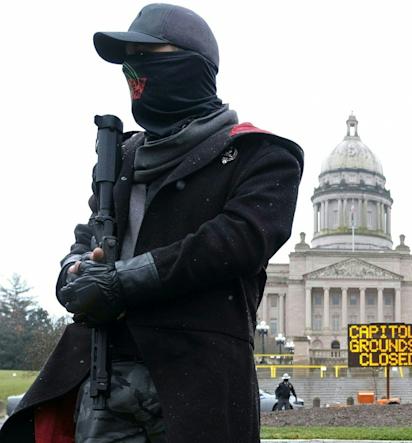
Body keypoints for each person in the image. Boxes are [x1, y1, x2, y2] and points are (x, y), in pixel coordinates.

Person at [0, 4, 303, 443]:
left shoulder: (262, 155)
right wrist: (74, 272)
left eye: (148, 57)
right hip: (103, 382)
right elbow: (91, 233)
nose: (135, 74)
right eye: (129, 62)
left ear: (192, 68)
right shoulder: (121, 157)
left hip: (199, 389)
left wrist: (124, 280)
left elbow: (236, 240)